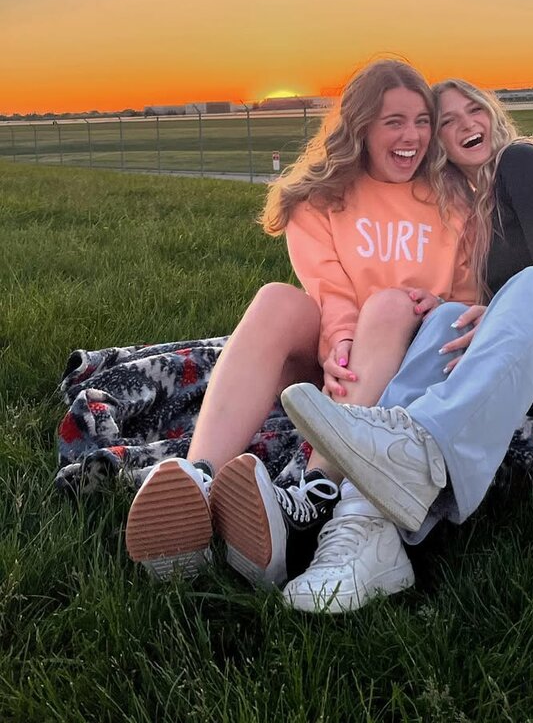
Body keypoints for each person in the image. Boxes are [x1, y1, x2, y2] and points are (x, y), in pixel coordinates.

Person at [277, 78, 533, 611]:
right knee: (447, 317)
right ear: (440, 146)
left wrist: (501, 311)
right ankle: (365, 532)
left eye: (474, 109)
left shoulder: (523, 160)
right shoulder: (470, 208)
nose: (466, 124)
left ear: (493, 113)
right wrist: (436, 307)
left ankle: (415, 447)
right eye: (447, 121)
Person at [124, 60, 474, 582]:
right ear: (361, 127)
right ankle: (200, 482)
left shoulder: (452, 196)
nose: (413, 136)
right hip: (343, 364)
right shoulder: (320, 199)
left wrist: (439, 303)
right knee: (276, 299)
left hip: (418, 364)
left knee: (391, 304)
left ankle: (314, 491)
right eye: (394, 122)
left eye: (423, 121)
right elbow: (330, 293)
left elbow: (472, 291)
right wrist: (341, 343)